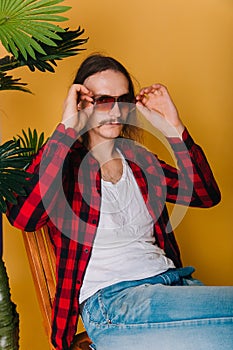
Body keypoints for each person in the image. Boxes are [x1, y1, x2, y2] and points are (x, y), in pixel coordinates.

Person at [6, 54, 233, 350]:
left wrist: (172, 126)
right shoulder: (64, 166)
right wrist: (66, 128)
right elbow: (25, 217)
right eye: (102, 100)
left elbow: (205, 194)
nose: (114, 110)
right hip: (114, 305)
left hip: (173, 286)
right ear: (82, 104)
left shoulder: (140, 162)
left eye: (122, 99)